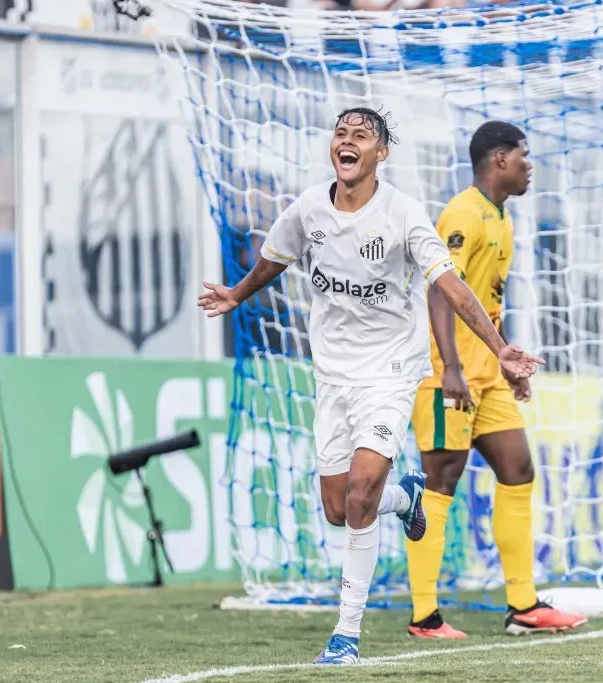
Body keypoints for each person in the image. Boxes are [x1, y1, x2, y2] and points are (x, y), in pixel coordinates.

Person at [198, 108, 542, 665]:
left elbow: (448, 285)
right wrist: (237, 294)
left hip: (390, 371)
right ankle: (405, 499)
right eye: (341, 133)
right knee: (338, 507)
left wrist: (500, 348)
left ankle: (345, 634)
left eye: (362, 135)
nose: (347, 141)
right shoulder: (309, 207)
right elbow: (273, 258)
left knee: (360, 492)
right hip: (333, 375)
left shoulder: (403, 214)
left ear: (381, 153)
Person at [405, 120, 587, 639]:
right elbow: (440, 291)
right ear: (499, 159)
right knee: (441, 482)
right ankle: (424, 615)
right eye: (524, 156)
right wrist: (454, 369)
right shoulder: (463, 213)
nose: (531, 166)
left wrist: (505, 366)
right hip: (448, 376)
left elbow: (484, 301)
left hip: (487, 376)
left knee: (519, 469)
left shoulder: (500, 218)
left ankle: (523, 604)